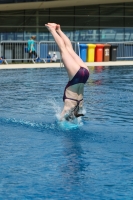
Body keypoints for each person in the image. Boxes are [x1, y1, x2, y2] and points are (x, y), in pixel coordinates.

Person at [45, 23, 89, 121]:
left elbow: (79, 119)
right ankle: (53, 30)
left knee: (69, 49)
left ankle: (58, 29)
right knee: (64, 50)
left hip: (85, 75)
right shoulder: (68, 108)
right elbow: (61, 120)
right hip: (76, 76)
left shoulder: (79, 109)